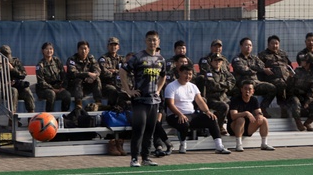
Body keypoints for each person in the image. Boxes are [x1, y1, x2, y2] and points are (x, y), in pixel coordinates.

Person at [163, 65, 232, 155]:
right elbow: (170, 104)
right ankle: (183, 144)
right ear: (179, 73)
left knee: (212, 118)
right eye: (185, 73)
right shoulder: (171, 86)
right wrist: (180, 114)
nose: (188, 76)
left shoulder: (193, 86)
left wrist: (207, 111)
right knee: (184, 122)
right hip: (175, 115)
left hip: (191, 114)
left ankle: (219, 146)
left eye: (190, 74)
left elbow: (200, 101)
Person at [121, 31, 166, 167]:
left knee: (150, 130)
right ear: (145, 41)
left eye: (154, 40)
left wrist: (158, 90)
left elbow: (163, 76)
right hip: (140, 100)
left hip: (154, 101)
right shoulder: (138, 57)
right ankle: (134, 158)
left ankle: (146, 158)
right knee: (139, 129)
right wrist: (128, 90)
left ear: (158, 42)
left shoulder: (161, 59)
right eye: (150, 40)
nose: (152, 43)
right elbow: (123, 71)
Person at [230, 37, 277, 112]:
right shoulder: (237, 59)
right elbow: (243, 70)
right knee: (242, 90)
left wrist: (252, 67)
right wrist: (257, 69)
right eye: (246, 45)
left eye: (250, 45)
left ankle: (262, 108)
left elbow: (262, 66)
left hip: (255, 82)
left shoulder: (254, 58)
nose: (248, 47)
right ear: (241, 46)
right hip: (243, 83)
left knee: (272, 88)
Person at [228, 80, 274, 152]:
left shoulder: (254, 100)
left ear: (253, 91)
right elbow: (233, 116)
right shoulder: (235, 99)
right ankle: (238, 145)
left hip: (248, 127)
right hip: (235, 127)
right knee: (241, 119)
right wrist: (245, 113)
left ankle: (264, 144)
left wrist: (259, 115)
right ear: (241, 90)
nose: (247, 91)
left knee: (264, 119)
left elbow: (259, 112)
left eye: (249, 89)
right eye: (245, 89)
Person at [283, 54, 313, 131]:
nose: (301, 61)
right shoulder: (297, 71)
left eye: (304, 60)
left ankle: (307, 123)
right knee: (296, 102)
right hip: (294, 95)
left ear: (309, 63)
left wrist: (307, 102)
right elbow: (288, 86)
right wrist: (290, 77)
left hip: (305, 96)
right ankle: (299, 123)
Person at [199, 54, 235, 135]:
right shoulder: (209, 73)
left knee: (234, 105)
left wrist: (221, 85)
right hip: (212, 98)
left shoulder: (225, 72)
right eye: (215, 60)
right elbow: (213, 86)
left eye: (219, 60)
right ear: (211, 62)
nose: (217, 62)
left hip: (224, 97)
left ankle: (231, 128)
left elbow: (232, 81)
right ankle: (219, 126)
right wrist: (225, 86)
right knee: (224, 106)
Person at [258, 35, 293, 110]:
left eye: (276, 44)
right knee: (281, 83)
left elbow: (289, 65)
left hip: (286, 77)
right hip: (271, 78)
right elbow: (258, 67)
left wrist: (291, 72)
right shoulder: (262, 55)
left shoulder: (283, 54)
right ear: (268, 44)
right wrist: (264, 69)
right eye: (272, 43)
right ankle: (281, 107)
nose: (275, 46)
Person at [35, 42, 72, 112]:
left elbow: (64, 75)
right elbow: (41, 82)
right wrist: (53, 89)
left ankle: (63, 115)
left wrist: (63, 87)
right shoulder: (40, 65)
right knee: (51, 94)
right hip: (44, 90)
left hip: (57, 88)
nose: (49, 51)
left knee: (67, 95)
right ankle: (49, 115)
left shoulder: (57, 61)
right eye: (46, 49)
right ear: (43, 51)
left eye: (51, 49)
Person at [67, 41, 103, 110]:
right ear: (78, 50)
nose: (83, 51)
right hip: (74, 87)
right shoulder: (72, 59)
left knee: (97, 79)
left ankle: (98, 103)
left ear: (88, 50)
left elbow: (97, 70)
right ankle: (78, 104)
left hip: (87, 84)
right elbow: (73, 73)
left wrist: (92, 78)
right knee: (78, 80)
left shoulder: (91, 59)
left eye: (85, 49)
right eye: (81, 49)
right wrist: (88, 74)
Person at [0, 44, 35, 113]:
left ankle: (31, 114)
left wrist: (12, 69)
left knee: (27, 91)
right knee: (14, 91)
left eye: (8, 55)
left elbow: (23, 74)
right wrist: (5, 84)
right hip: (3, 90)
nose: (7, 58)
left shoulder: (15, 61)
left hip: (17, 87)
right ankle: (12, 115)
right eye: (5, 55)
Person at [98, 37, 126, 108]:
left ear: (118, 47)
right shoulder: (103, 59)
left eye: (115, 45)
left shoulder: (122, 59)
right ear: (108, 46)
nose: (113, 47)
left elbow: (126, 71)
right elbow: (104, 73)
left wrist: (114, 71)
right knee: (113, 91)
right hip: (106, 84)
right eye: (111, 45)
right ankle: (111, 109)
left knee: (126, 93)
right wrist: (118, 72)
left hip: (120, 84)